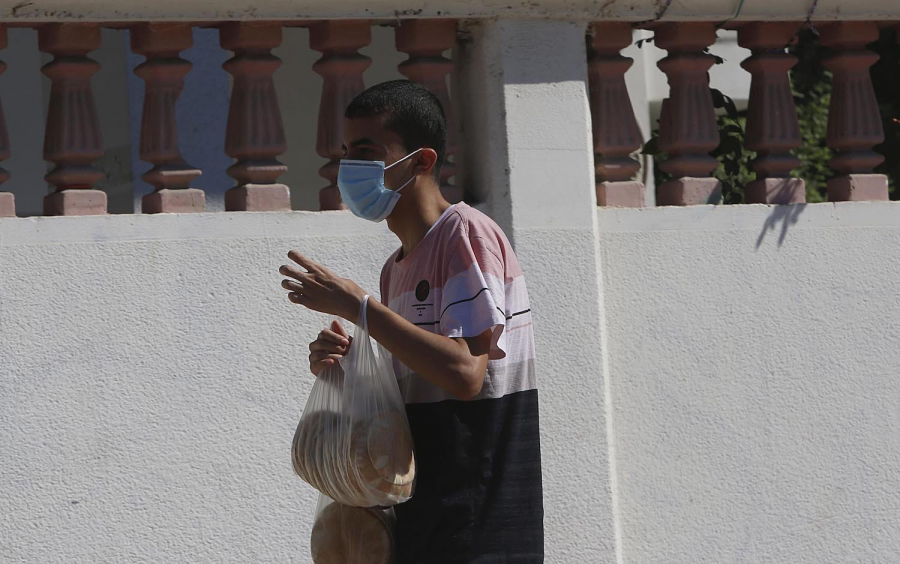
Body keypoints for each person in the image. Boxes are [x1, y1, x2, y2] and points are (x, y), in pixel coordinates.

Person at [279, 80, 543, 563]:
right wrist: (352, 366)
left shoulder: (465, 235)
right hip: (428, 521)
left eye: (366, 152)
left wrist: (361, 308)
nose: (348, 167)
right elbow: (422, 379)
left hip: (478, 525)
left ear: (421, 161)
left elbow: (465, 373)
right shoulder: (395, 268)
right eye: (346, 152)